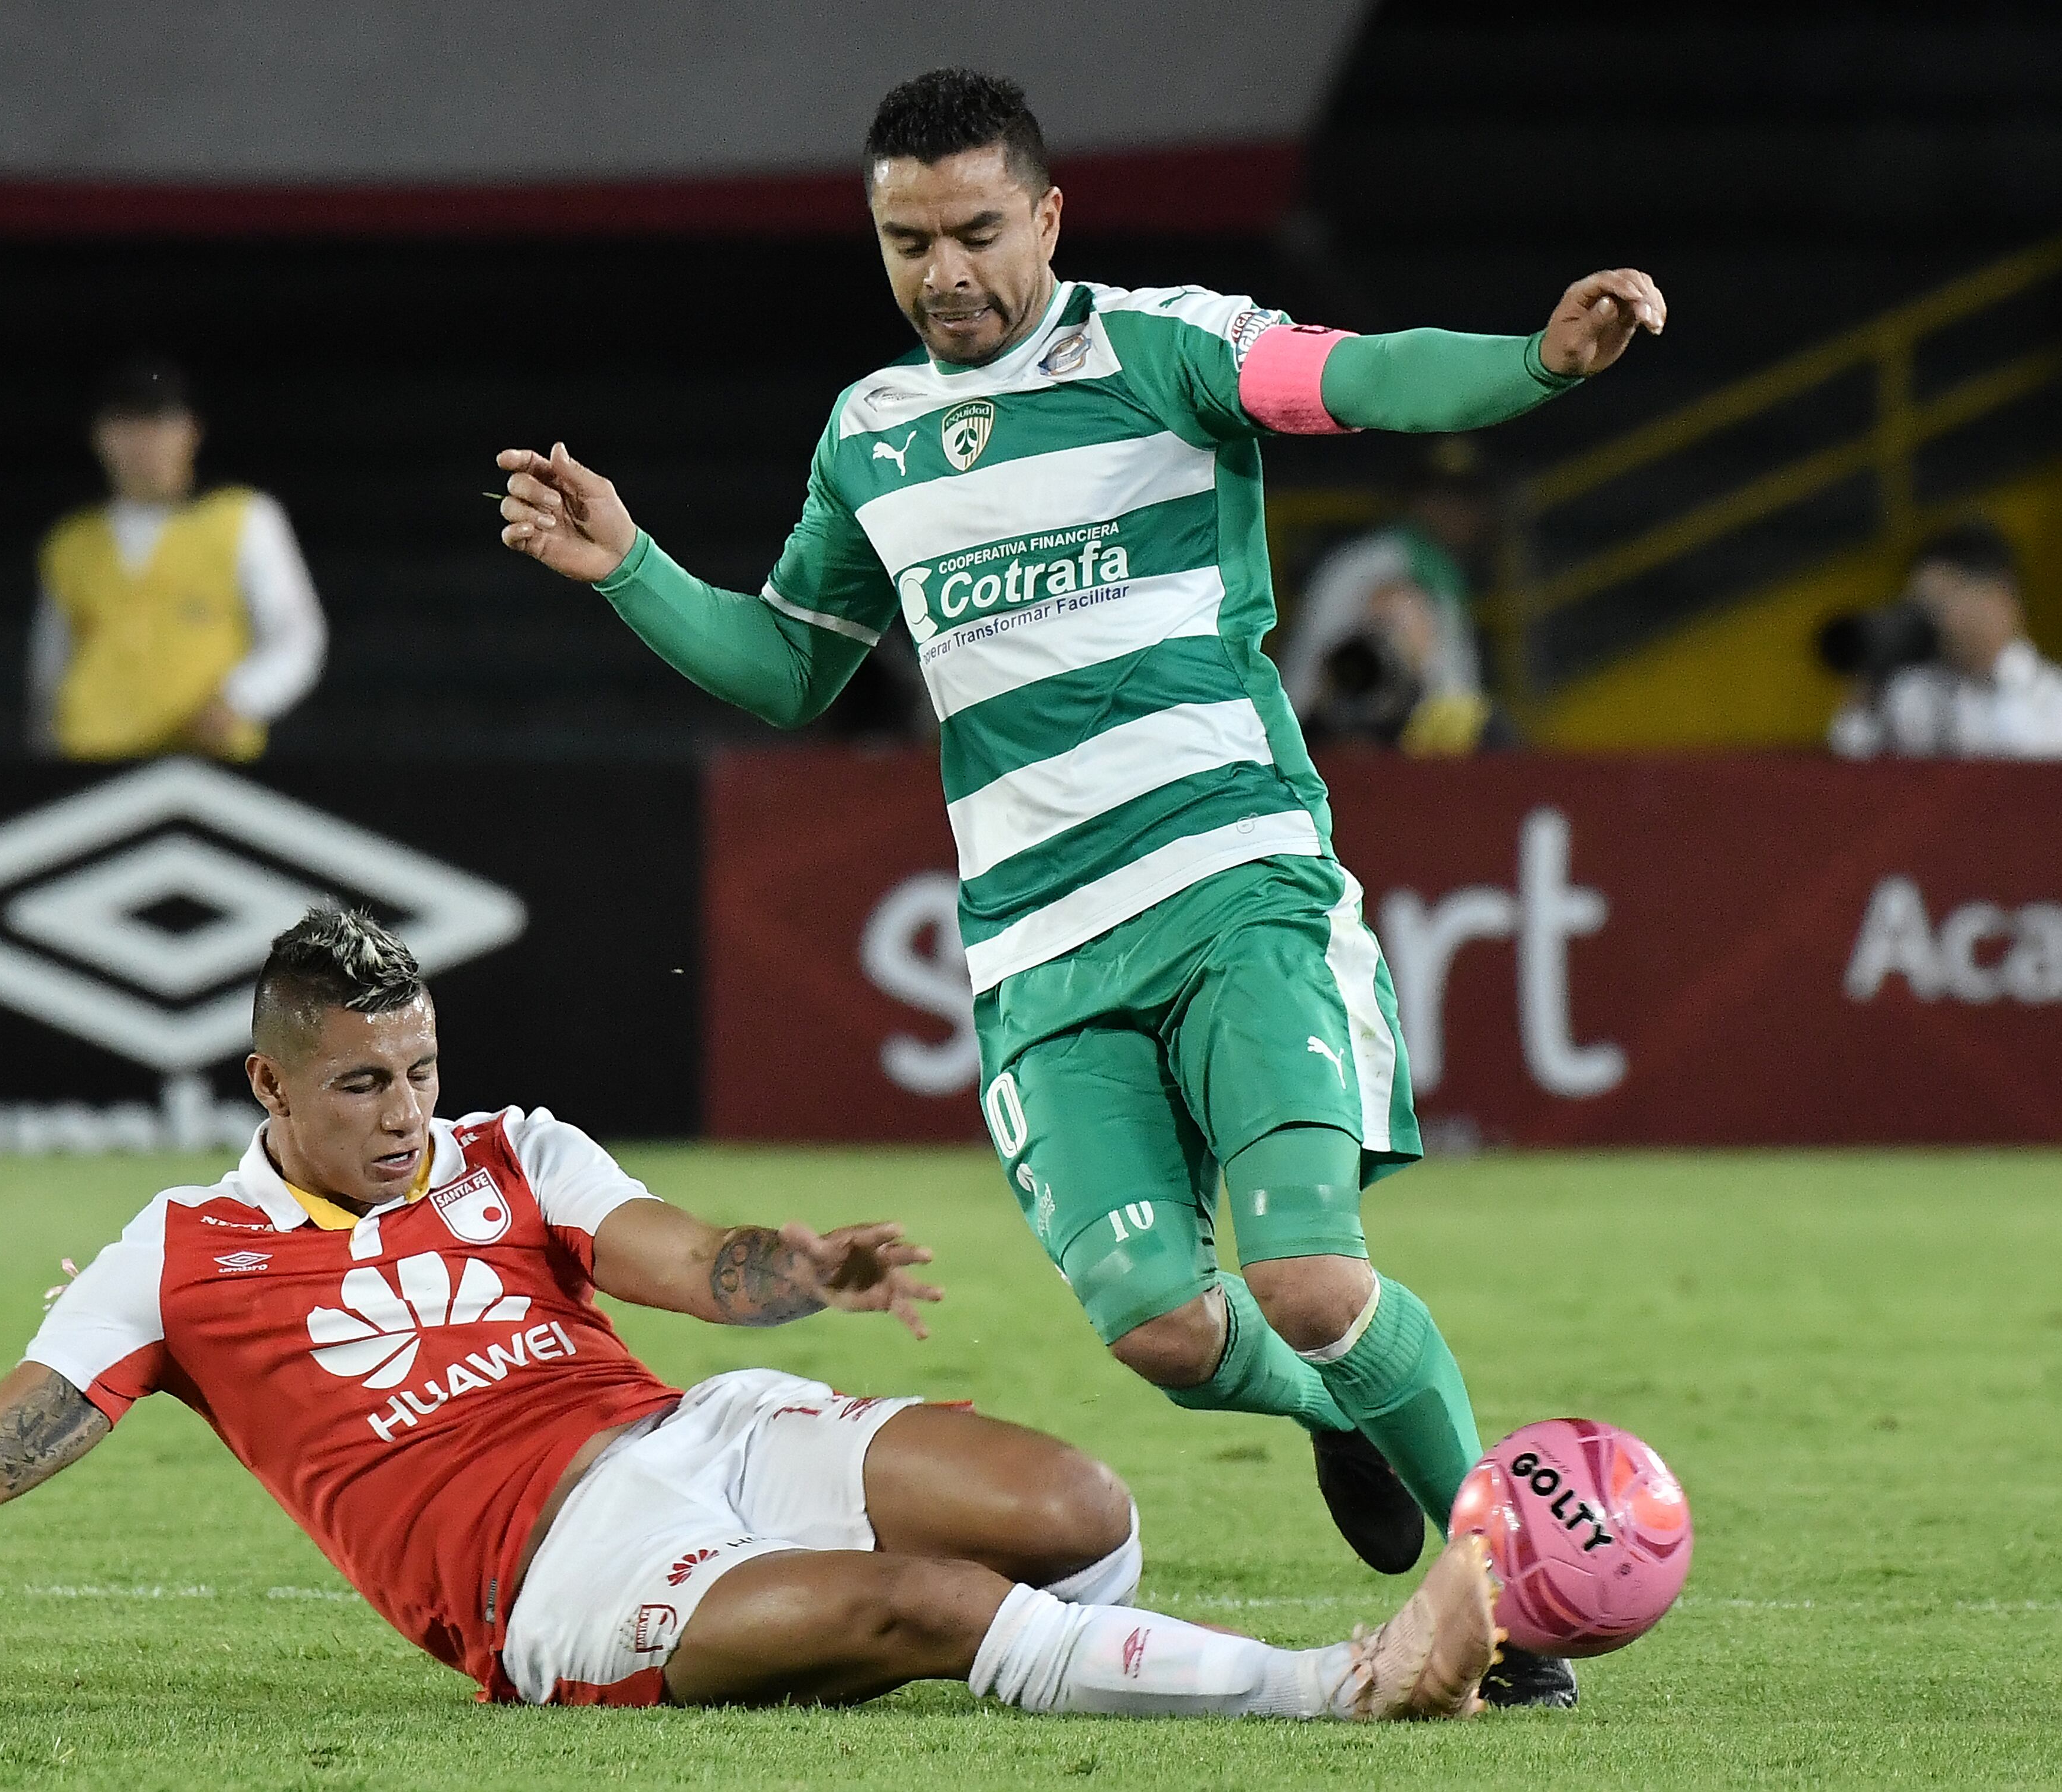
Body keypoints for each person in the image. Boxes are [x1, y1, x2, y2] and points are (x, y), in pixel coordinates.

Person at [497, 68, 1663, 1709]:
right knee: (1163, 1336)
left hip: (1230, 881)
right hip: (1041, 954)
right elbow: (788, 670)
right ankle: (1343, 1415)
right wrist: (629, 563)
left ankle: (1496, 1605)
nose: (944, 271)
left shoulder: (1162, 346)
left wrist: (1532, 364)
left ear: (1047, 216)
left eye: (977, 230)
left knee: (1308, 1279)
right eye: (907, 241)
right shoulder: (871, 435)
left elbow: (1362, 379)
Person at [0, 909, 1499, 1722]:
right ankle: (1342, 1682)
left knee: (1077, 1508)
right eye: (363, 1084)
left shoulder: (513, 1151)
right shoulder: (180, 1255)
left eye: (421, 1068)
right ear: (271, 1090)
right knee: (921, 1612)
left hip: (701, 1431)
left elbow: (686, 1260)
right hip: (550, 1576)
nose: (409, 1109)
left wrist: (804, 1272)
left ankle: (1042, 1645)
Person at [29, 359, 326, 760]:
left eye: (160, 422)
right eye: (127, 424)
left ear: (191, 431)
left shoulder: (242, 517)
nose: (145, 440)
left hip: (203, 761)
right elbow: (49, 669)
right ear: (100, 435)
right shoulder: (71, 542)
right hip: (91, 760)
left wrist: (240, 699)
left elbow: (297, 634)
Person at [1278, 445, 1497, 720]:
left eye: (1467, 499)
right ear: (1414, 500)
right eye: (1441, 497)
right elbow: (1325, 684)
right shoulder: (1366, 564)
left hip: (1409, 741)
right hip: (1333, 738)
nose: (1457, 512)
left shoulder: (1438, 572)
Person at [1827, 521, 2062, 759]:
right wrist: (1871, 682)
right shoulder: (1910, 697)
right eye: (1920, 607)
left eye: (1942, 602)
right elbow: (1850, 770)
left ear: (1998, 595)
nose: (1932, 620)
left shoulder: (2057, 700)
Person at [1299, 575, 1518, 756]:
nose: (1384, 640)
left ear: (1429, 637)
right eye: (1375, 625)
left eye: (1398, 626)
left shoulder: (1470, 727)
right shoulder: (1330, 724)